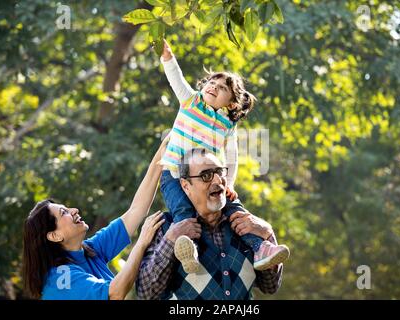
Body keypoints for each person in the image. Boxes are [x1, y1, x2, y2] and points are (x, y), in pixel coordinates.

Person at [158, 39, 290, 273]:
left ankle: (260, 248)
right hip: (175, 175)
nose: (213, 86)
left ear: (230, 103)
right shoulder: (191, 101)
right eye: (211, 82)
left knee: (236, 212)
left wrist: (228, 184)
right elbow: (175, 77)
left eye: (222, 88)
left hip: (210, 180)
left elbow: (232, 159)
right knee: (184, 215)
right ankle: (191, 255)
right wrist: (167, 56)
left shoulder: (227, 125)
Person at [22, 138, 168, 300]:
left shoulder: (90, 250)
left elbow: (136, 211)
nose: (74, 210)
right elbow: (115, 293)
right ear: (54, 236)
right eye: (64, 213)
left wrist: (162, 153)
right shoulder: (60, 279)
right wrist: (141, 244)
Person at [136, 148, 284, 300]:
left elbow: (271, 286)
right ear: (186, 185)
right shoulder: (166, 228)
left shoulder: (246, 224)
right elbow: (146, 295)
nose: (216, 180)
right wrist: (170, 241)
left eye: (219, 172)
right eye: (206, 175)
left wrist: (267, 234)